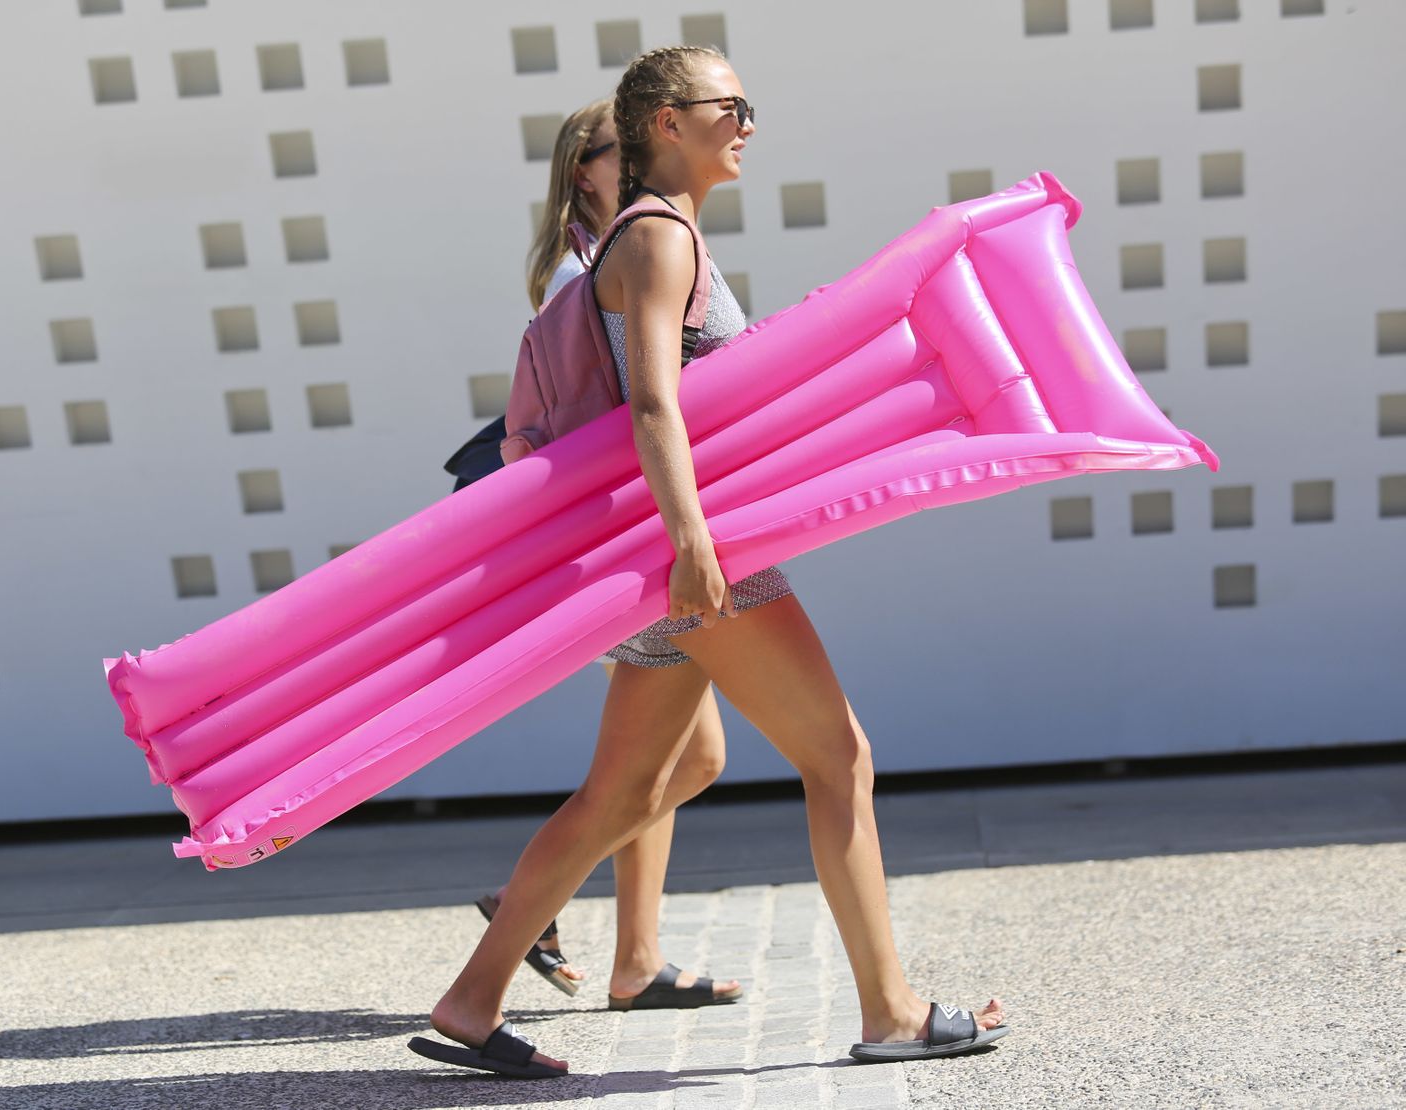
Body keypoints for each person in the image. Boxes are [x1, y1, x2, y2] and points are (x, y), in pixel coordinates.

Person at [411, 45, 1008, 1078]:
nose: (746, 124)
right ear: (665, 125)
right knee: (840, 759)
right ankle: (892, 1012)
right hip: (692, 559)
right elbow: (652, 400)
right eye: (727, 106)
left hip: (661, 564)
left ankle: (469, 1004)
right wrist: (692, 541)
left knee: (617, 794)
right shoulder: (653, 240)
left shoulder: (663, 235)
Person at [473, 97, 744, 1012]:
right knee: (647, 771)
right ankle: (533, 906)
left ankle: (630, 954)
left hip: (640, 537)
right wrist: (684, 533)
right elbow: (636, 413)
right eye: (609, 151)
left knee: (686, 760)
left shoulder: (626, 248)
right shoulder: (589, 274)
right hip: (634, 542)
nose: (627, 162)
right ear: (580, 171)